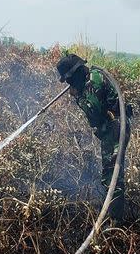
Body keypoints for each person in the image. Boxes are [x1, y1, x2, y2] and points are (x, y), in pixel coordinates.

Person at [56, 54, 132, 225]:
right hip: (115, 126)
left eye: (69, 80)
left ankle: (116, 221)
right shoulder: (93, 74)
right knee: (110, 172)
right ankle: (111, 211)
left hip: (116, 128)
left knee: (112, 174)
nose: (69, 84)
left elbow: (95, 118)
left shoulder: (91, 86)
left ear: (75, 74)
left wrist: (77, 97)